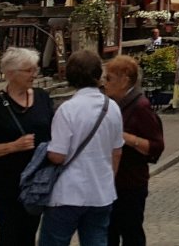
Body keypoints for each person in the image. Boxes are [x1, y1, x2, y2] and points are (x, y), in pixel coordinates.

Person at [38, 49, 124, 246]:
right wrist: (108, 179)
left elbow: (58, 156)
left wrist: (44, 151)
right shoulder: (112, 108)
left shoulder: (67, 109)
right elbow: (117, 152)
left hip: (68, 192)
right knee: (96, 240)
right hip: (101, 192)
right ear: (98, 74)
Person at [0, 47, 55, 246]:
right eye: (28, 70)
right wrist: (12, 147)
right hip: (8, 184)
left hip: (37, 182)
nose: (33, 75)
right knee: (9, 236)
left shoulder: (43, 98)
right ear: (10, 73)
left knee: (29, 234)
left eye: (35, 69)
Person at [101, 55, 164, 246]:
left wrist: (126, 138)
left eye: (109, 78)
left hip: (131, 183)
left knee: (131, 233)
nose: (104, 83)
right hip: (112, 182)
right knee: (109, 233)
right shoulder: (112, 103)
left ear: (124, 80)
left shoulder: (140, 106)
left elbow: (156, 146)